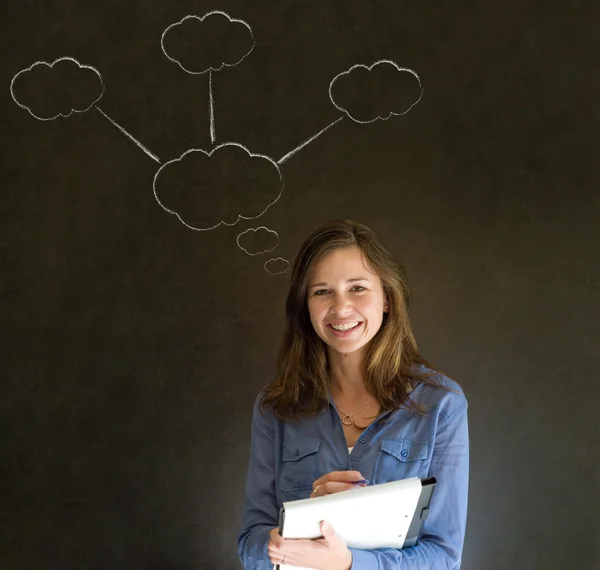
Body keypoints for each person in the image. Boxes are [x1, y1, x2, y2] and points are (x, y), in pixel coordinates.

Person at [237, 219, 469, 569]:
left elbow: (444, 556)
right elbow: (251, 542)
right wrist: (288, 539)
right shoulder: (275, 407)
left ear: (387, 298)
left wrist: (348, 563)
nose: (341, 308)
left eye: (357, 288)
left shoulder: (441, 404)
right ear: (306, 307)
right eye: (322, 291)